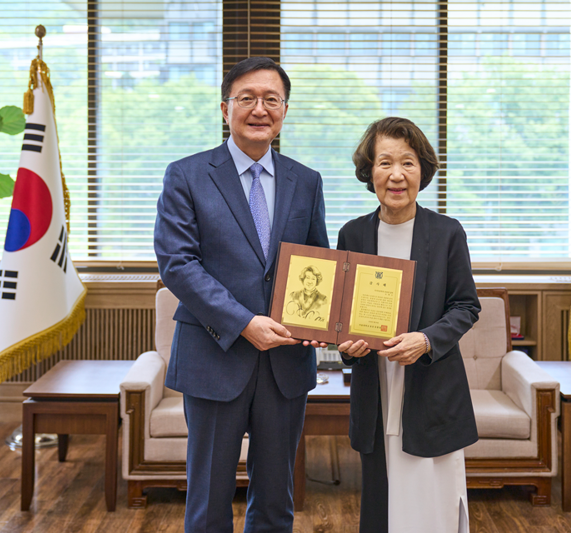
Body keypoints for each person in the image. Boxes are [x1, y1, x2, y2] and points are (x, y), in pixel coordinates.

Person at [154, 57, 329, 533]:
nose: (259, 108)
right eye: (246, 98)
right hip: (214, 354)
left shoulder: (306, 181)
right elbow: (178, 265)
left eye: (271, 99)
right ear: (225, 109)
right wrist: (243, 322)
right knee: (209, 498)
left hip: (285, 363)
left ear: (285, 110)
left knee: (276, 499)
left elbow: (316, 262)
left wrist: (322, 322)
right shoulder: (186, 175)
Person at [337, 117, 481, 533]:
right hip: (375, 387)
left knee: (430, 506)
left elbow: (465, 306)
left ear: (423, 171)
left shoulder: (448, 232)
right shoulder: (353, 234)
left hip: (430, 387)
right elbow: (344, 316)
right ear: (369, 172)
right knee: (382, 507)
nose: (396, 174)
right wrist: (346, 344)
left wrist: (425, 339)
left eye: (408, 163)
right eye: (384, 163)